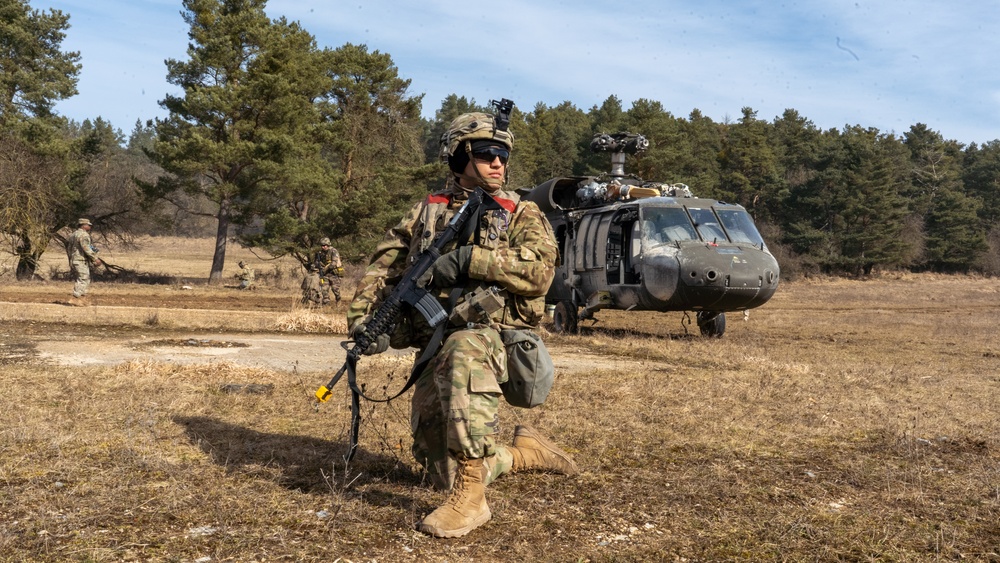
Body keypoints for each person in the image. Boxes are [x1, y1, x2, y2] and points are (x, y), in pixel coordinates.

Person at [347, 110, 578, 538]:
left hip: (494, 341)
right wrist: (366, 322)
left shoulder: (520, 210)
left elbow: (542, 271)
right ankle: (524, 453)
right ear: (458, 156)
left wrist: (472, 259)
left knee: (465, 347)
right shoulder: (425, 212)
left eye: (503, 155)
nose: (498, 163)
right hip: (436, 343)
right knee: (441, 472)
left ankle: (472, 502)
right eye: (487, 153)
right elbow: (385, 271)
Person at [65, 218, 102, 306]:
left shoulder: (74, 234)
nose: (90, 226)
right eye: (88, 225)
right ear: (83, 225)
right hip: (80, 260)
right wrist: (95, 258)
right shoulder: (84, 235)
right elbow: (86, 249)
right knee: (83, 279)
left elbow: (69, 248)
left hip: (75, 259)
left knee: (85, 278)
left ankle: (82, 299)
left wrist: (71, 259)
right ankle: (75, 298)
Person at [312, 237, 343, 302]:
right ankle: (326, 302)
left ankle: (338, 299)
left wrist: (325, 269)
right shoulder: (319, 253)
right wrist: (314, 265)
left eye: (325, 245)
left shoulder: (333, 251)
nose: (323, 247)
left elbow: (334, 263)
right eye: (322, 245)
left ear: (328, 245)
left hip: (334, 274)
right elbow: (316, 262)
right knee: (324, 288)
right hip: (324, 274)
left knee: (335, 289)